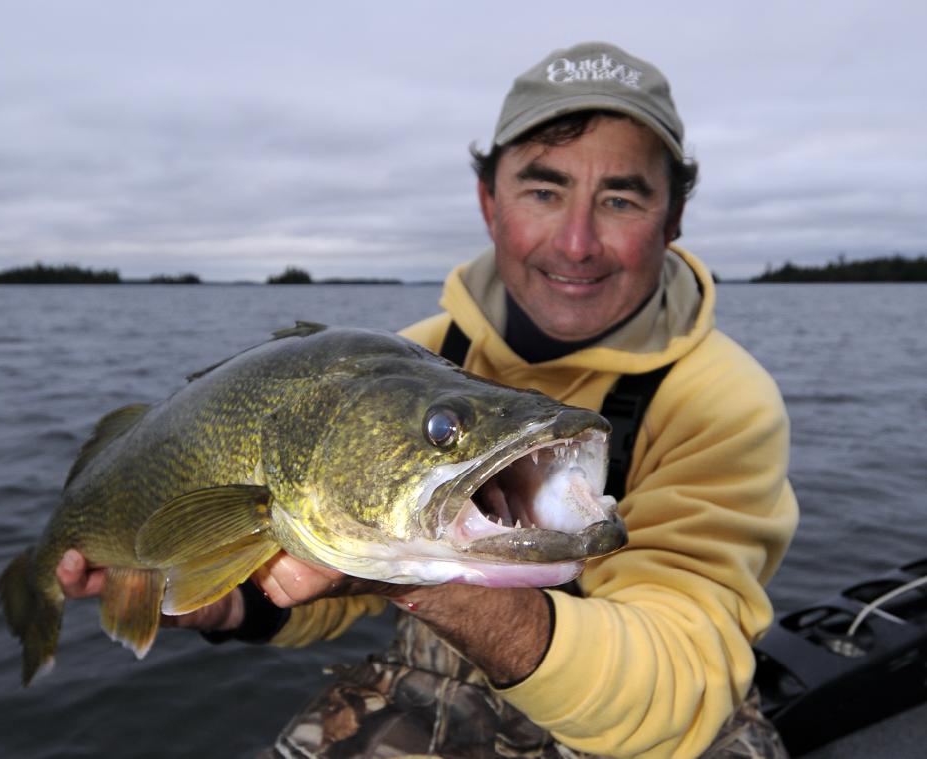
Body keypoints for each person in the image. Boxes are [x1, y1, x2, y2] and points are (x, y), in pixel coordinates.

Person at [57, 41, 798, 758]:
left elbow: (678, 692)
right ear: (488, 202)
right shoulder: (409, 358)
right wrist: (238, 600)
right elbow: (336, 577)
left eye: (621, 198)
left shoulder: (722, 401)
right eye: (544, 190)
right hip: (439, 691)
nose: (577, 241)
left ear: (673, 220)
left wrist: (433, 585)